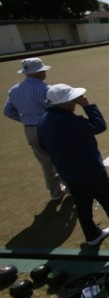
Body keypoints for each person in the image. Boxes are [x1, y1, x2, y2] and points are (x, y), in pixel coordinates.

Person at [37, 83, 109, 246]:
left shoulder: (43, 120)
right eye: (72, 100)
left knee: (82, 206)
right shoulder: (69, 120)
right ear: (63, 103)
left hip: (68, 173)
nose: (75, 103)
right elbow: (99, 125)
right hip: (90, 170)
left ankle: (92, 236)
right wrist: (87, 106)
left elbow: (43, 145)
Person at [3, 57, 65, 201]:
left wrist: (24, 119)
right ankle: (70, 188)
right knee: (61, 158)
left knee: (45, 162)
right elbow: (58, 108)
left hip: (29, 130)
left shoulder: (14, 90)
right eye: (43, 70)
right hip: (49, 128)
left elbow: (7, 111)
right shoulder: (45, 89)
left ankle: (55, 193)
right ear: (38, 72)